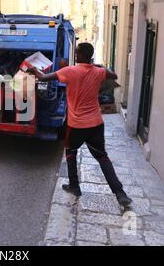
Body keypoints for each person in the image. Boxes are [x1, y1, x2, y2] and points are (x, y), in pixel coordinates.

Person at [29, 43, 133, 207]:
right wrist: (99, 66)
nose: (76, 56)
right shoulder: (98, 72)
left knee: (70, 152)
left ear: (83, 55)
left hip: (76, 124)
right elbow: (114, 76)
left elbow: (42, 77)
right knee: (102, 157)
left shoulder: (70, 71)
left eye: (77, 53)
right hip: (96, 124)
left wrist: (33, 70)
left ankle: (74, 186)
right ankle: (120, 193)